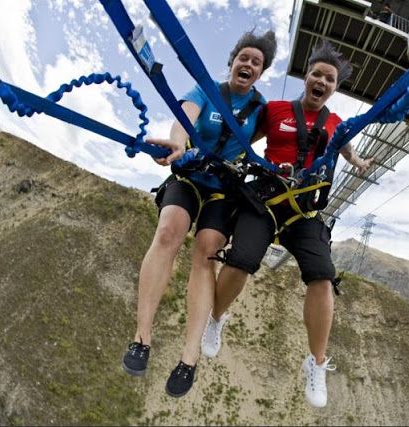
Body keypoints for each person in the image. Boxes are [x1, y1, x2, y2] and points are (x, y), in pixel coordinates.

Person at [200, 40, 373, 408]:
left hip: (305, 210)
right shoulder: (276, 110)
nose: (322, 82)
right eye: (317, 74)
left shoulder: (336, 124)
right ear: (306, 77)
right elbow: (247, 135)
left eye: (330, 79)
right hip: (267, 198)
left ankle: (316, 361)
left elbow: (345, 148)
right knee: (241, 259)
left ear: (334, 87)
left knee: (323, 277)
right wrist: (215, 151)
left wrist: (357, 161)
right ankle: (216, 317)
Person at [121, 29, 277, 399]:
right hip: (190, 174)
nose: (249, 64)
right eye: (244, 58)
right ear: (233, 61)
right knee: (168, 232)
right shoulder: (207, 91)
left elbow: (276, 139)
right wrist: (179, 143)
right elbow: (184, 118)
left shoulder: (261, 110)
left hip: (223, 189)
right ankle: (141, 338)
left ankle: (189, 358)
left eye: (256, 62)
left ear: (261, 72)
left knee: (206, 251)